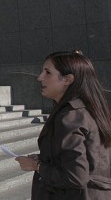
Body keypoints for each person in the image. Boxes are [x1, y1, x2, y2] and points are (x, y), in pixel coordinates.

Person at [15, 52, 111, 199]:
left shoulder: (70, 117)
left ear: (67, 79)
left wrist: (37, 166)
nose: (40, 77)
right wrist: (44, 158)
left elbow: (75, 176)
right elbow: (89, 158)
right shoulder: (90, 110)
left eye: (47, 72)